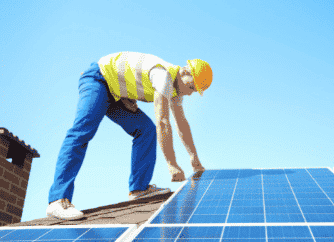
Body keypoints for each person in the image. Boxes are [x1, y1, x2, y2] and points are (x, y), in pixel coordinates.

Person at [46, 51, 213, 220]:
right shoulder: (163, 76)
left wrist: (195, 160)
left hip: (118, 95)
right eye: (191, 87)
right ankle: (58, 200)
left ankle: (139, 190)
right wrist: (172, 164)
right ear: (184, 72)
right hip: (99, 79)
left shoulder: (176, 92)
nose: (190, 93)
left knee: (146, 130)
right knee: (82, 130)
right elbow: (163, 121)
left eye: (195, 90)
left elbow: (182, 125)